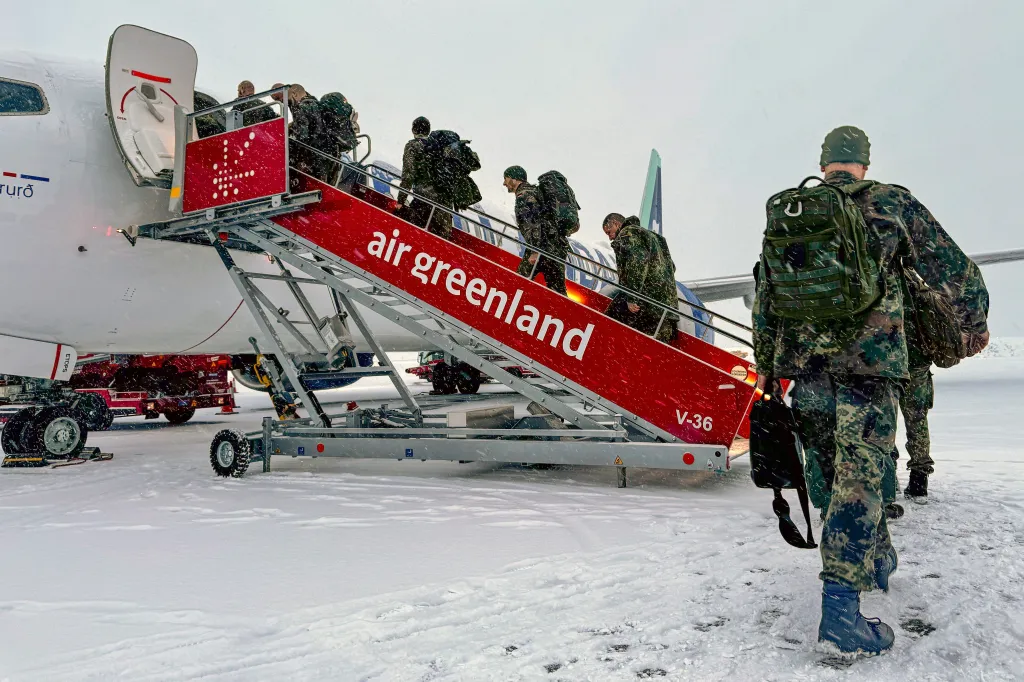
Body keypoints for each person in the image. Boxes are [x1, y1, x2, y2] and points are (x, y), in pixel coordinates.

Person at [752, 125, 988, 656]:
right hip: (869, 362)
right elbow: (952, 268)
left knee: (830, 471)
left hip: (805, 366)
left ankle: (875, 554)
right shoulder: (889, 203)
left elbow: (765, 292)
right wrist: (974, 320)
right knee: (862, 473)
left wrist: (766, 364)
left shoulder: (791, 212)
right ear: (863, 161)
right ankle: (841, 610)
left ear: (824, 162)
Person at [601, 213, 678, 342]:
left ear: (616, 223)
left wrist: (632, 297)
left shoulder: (628, 233)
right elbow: (671, 267)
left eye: (609, 232)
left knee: (605, 326)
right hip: (665, 309)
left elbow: (636, 264)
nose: (610, 238)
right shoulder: (656, 238)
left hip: (645, 302)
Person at [503, 166, 568, 295]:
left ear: (515, 179)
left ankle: (511, 308)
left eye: (506, 179)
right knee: (558, 292)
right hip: (556, 246)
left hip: (542, 247)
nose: (504, 183)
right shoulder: (535, 192)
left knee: (519, 282)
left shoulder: (524, 195)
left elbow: (533, 223)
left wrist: (535, 250)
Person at [397, 116, 440, 230]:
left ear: (413, 130)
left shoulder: (413, 146)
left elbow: (408, 175)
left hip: (423, 202)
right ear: (428, 131)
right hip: (443, 208)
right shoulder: (438, 149)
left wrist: (401, 201)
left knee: (409, 235)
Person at [285, 84, 329, 183]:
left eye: (289, 100)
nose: (289, 104)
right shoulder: (317, 105)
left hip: (311, 155)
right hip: (324, 153)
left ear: (294, 94)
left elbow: (302, 136)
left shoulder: (301, 108)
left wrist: (299, 158)